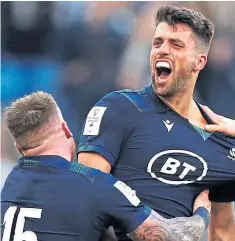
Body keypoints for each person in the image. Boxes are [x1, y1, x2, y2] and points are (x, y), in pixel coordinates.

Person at [77, 5, 235, 241]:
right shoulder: (118, 108)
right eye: (157, 42)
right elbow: (85, 198)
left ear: (199, 62)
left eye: (176, 45)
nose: (162, 50)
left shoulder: (222, 140)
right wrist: (196, 220)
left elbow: (223, 230)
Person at [1, 91, 211, 241]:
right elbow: (168, 237)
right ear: (66, 129)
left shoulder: (9, 184)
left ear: (19, 147)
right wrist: (202, 213)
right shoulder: (94, 184)